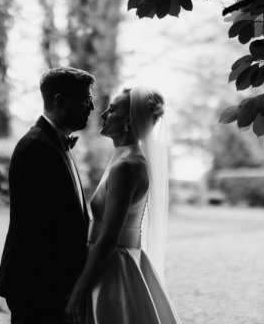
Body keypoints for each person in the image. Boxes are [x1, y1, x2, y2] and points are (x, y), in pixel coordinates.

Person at [64, 87, 181, 324]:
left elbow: (108, 237)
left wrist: (78, 292)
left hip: (112, 270)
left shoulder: (127, 166)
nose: (104, 113)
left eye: (113, 108)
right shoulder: (125, 157)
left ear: (128, 120)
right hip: (114, 261)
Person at [0, 67, 96, 324]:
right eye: (85, 100)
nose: (92, 107)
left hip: (49, 285)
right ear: (60, 101)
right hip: (38, 286)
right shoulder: (36, 148)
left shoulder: (54, 142)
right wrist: (67, 290)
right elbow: (41, 230)